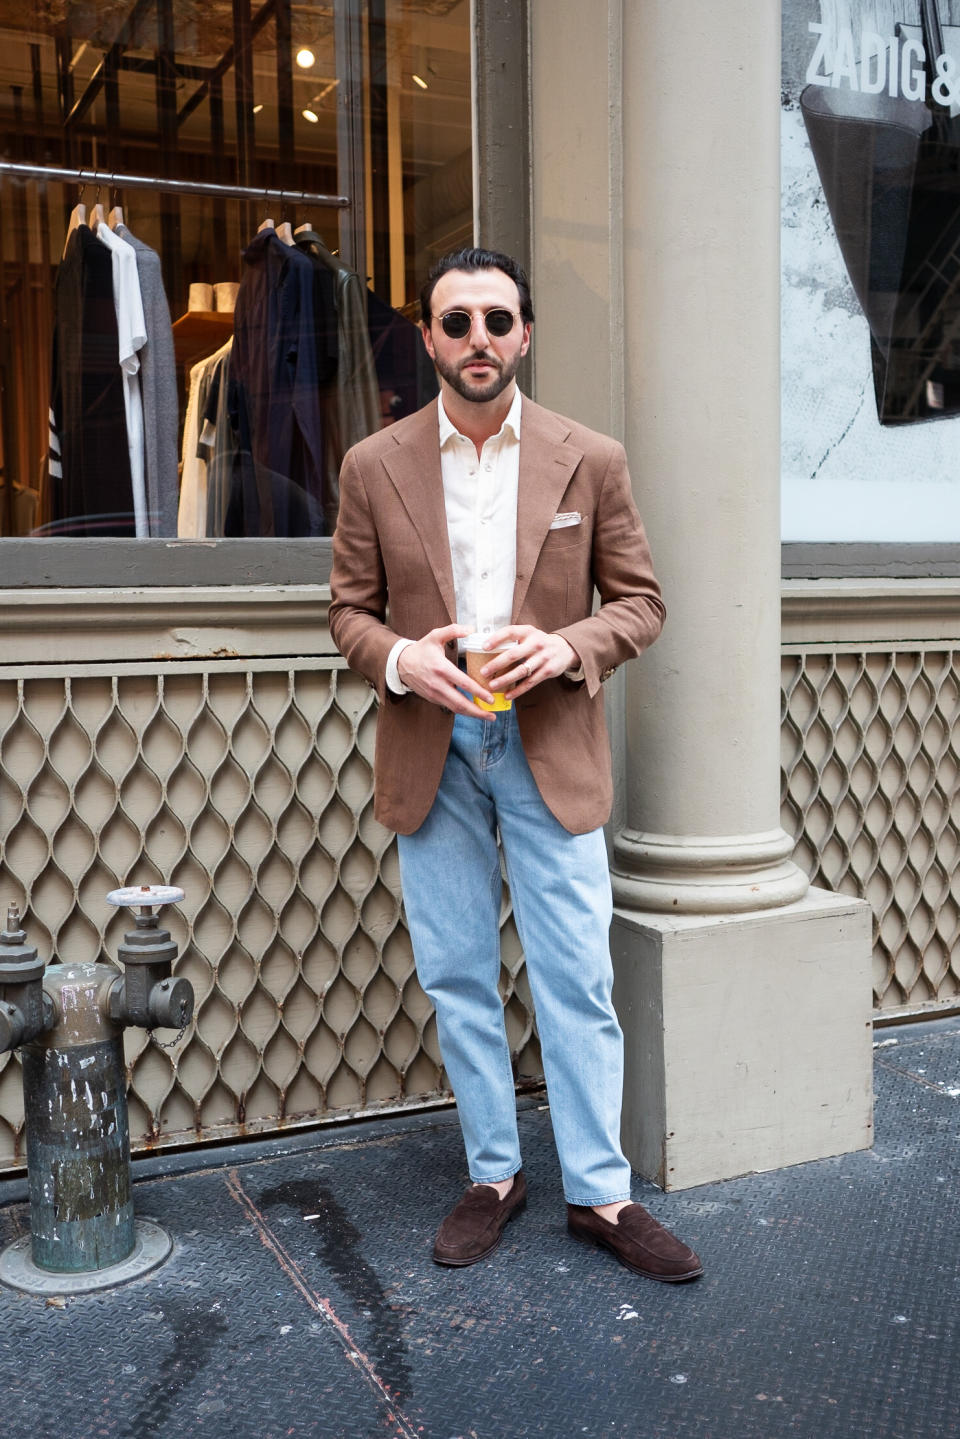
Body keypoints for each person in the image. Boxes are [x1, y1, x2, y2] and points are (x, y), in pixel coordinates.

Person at [328, 247, 702, 1283]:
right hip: (431, 744)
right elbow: (348, 613)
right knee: (457, 973)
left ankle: (602, 1191)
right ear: (429, 338)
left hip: (548, 742)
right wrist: (403, 659)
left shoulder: (593, 458)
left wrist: (570, 645)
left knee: (576, 976)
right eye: (458, 323)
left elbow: (642, 601)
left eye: (498, 320)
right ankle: (495, 1174)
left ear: (525, 333)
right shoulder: (374, 463)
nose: (478, 339)